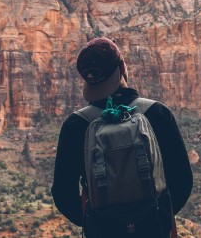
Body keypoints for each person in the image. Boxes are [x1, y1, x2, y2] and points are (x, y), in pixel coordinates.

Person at [52, 37, 193, 237]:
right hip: (154, 227)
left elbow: (63, 194)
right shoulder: (158, 113)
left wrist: (95, 221)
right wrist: (154, 218)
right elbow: (182, 180)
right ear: (123, 67)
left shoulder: (75, 126)